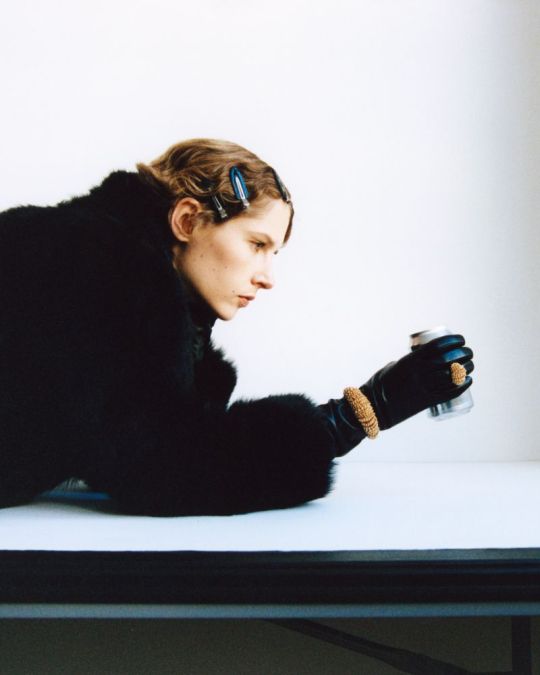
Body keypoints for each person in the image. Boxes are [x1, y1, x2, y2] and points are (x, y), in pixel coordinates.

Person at [0, 138, 474, 515]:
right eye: (256, 244)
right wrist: (358, 414)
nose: (267, 277)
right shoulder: (89, 258)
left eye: (273, 253)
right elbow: (157, 467)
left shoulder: (101, 258)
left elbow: (138, 431)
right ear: (187, 220)